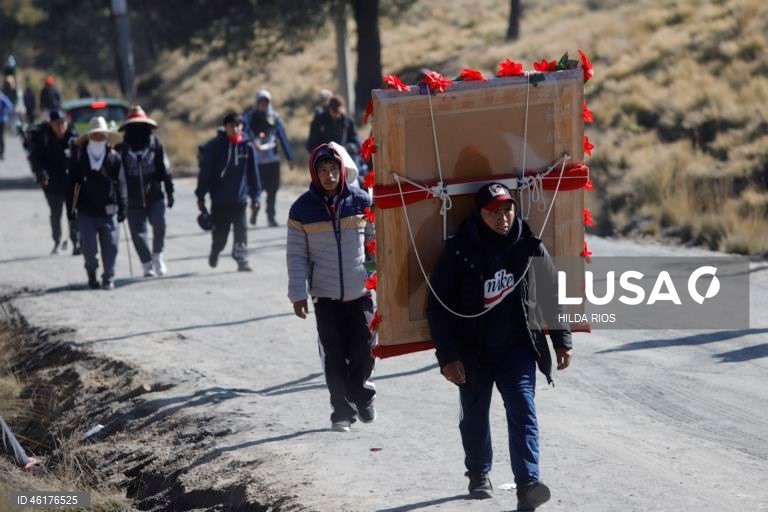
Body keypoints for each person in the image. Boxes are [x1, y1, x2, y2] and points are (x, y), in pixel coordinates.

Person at [425, 182, 573, 509]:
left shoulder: (529, 245)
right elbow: (437, 308)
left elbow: (551, 292)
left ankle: (528, 485)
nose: (502, 217)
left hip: (517, 349)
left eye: (507, 209)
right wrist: (448, 357)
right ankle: (478, 472)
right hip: (473, 351)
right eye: (493, 211)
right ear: (480, 214)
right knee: (475, 417)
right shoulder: (459, 251)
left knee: (524, 409)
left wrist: (562, 339)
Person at [286, 143, 377, 433]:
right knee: (334, 354)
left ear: (342, 170)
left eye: (333, 169)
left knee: (365, 350)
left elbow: (375, 247)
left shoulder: (361, 201)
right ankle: (341, 411)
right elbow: (296, 254)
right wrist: (298, 293)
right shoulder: (302, 209)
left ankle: (360, 392)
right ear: (314, 173)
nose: (329, 176)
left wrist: (381, 281)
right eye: (322, 171)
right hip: (325, 297)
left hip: (360, 292)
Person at [196, 113, 261, 272]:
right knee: (221, 236)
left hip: (240, 199)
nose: (236, 128)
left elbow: (253, 173)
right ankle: (215, 251)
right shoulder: (214, 147)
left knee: (241, 231)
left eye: (239, 125)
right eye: (232, 125)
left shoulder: (247, 146)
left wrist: (255, 196)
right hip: (220, 200)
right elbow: (206, 173)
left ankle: (242, 260)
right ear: (225, 127)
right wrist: (201, 195)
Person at [68, 116, 126, 290]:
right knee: (88, 248)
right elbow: (72, 185)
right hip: (86, 211)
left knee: (112, 247)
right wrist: (70, 210)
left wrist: (123, 205)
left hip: (109, 211)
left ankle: (108, 277)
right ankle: (91, 273)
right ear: (89, 137)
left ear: (106, 138)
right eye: (95, 136)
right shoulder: (79, 158)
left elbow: (121, 183)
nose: (98, 139)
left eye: (102, 136)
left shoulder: (114, 158)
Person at [116, 106, 174, 278]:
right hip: (132, 199)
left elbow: (165, 169)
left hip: (154, 195)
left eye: (141, 125)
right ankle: (146, 263)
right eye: (134, 126)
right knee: (137, 233)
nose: (138, 129)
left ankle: (157, 256)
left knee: (159, 224)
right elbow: (118, 177)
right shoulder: (122, 149)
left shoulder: (156, 144)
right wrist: (120, 199)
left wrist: (169, 192)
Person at [29, 109, 80, 254]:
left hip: (70, 182)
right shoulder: (43, 138)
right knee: (56, 213)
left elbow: (80, 159)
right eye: (57, 123)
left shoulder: (73, 137)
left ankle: (76, 242)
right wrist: (42, 175)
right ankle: (57, 240)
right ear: (51, 124)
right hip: (52, 184)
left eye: (63, 123)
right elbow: (36, 160)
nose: (60, 126)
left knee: (73, 213)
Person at [246, 89, 293, 227]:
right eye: (260, 101)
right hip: (256, 160)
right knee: (257, 188)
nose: (263, 104)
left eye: (265, 102)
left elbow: (282, 136)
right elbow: (244, 134)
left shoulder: (274, 117)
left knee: (273, 189)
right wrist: (254, 141)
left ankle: (270, 216)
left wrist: (289, 157)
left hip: (272, 159)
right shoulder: (250, 118)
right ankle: (255, 208)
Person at [0, 91, 13, 160]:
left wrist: (5, 112)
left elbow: (10, 106)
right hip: (2, 119)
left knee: (1, 137)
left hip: (2, 120)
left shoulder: (2, 97)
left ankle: (2, 153)